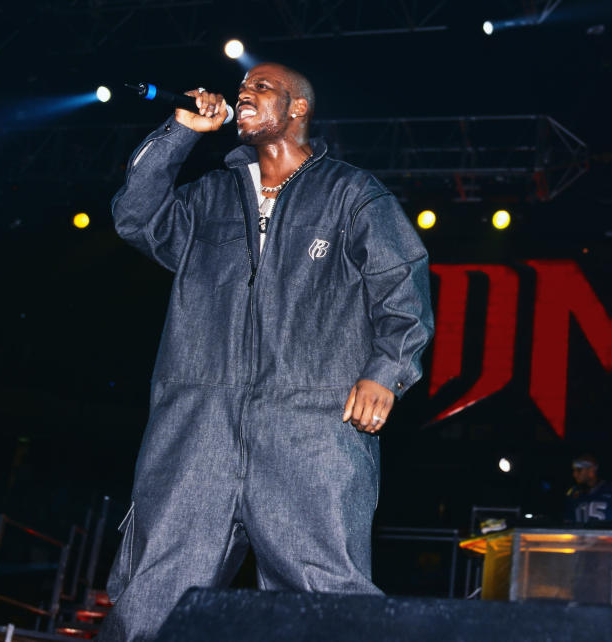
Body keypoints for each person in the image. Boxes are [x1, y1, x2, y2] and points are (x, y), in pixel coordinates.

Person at [96, 63, 434, 641]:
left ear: (297, 108)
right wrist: (180, 133)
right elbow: (135, 216)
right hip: (196, 426)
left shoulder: (351, 194)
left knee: (327, 599)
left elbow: (402, 282)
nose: (242, 95)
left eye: (261, 88)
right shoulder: (208, 198)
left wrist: (387, 370)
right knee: (153, 592)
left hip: (312, 427)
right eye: (241, 87)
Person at [563, 454, 612, 524]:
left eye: (579, 470)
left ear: (591, 470)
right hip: (580, 535)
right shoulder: (573, 493)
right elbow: (567, 522)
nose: (575, 474)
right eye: (574, 470)